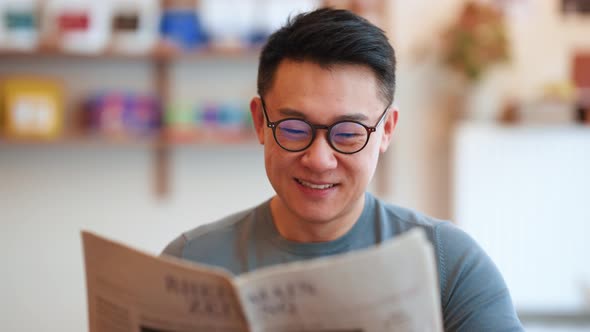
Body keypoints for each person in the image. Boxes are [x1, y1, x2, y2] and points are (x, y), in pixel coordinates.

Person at [163, 7, 524, 331]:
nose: (319, 160)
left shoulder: (449, 264)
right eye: (294, 129)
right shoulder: (190, 264)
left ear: (386, 131)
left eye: (348, 134)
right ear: (260, 122)